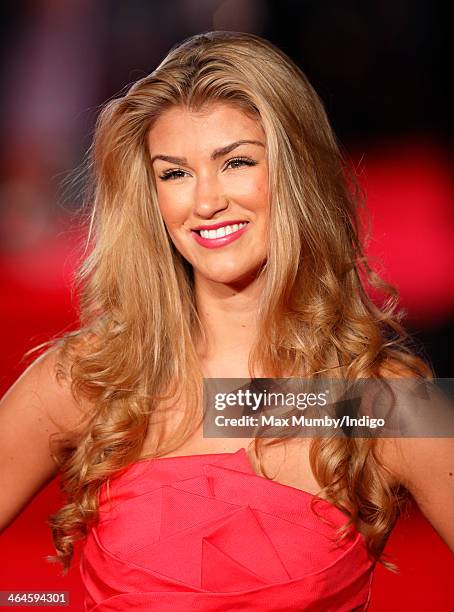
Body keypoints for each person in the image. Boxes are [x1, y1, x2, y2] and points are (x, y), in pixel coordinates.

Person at [1, 30, 453, 611]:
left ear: (295, 173)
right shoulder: (94, 378)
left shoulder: (380, 404)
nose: (205, 201)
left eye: (235, 162)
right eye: (174, 174)